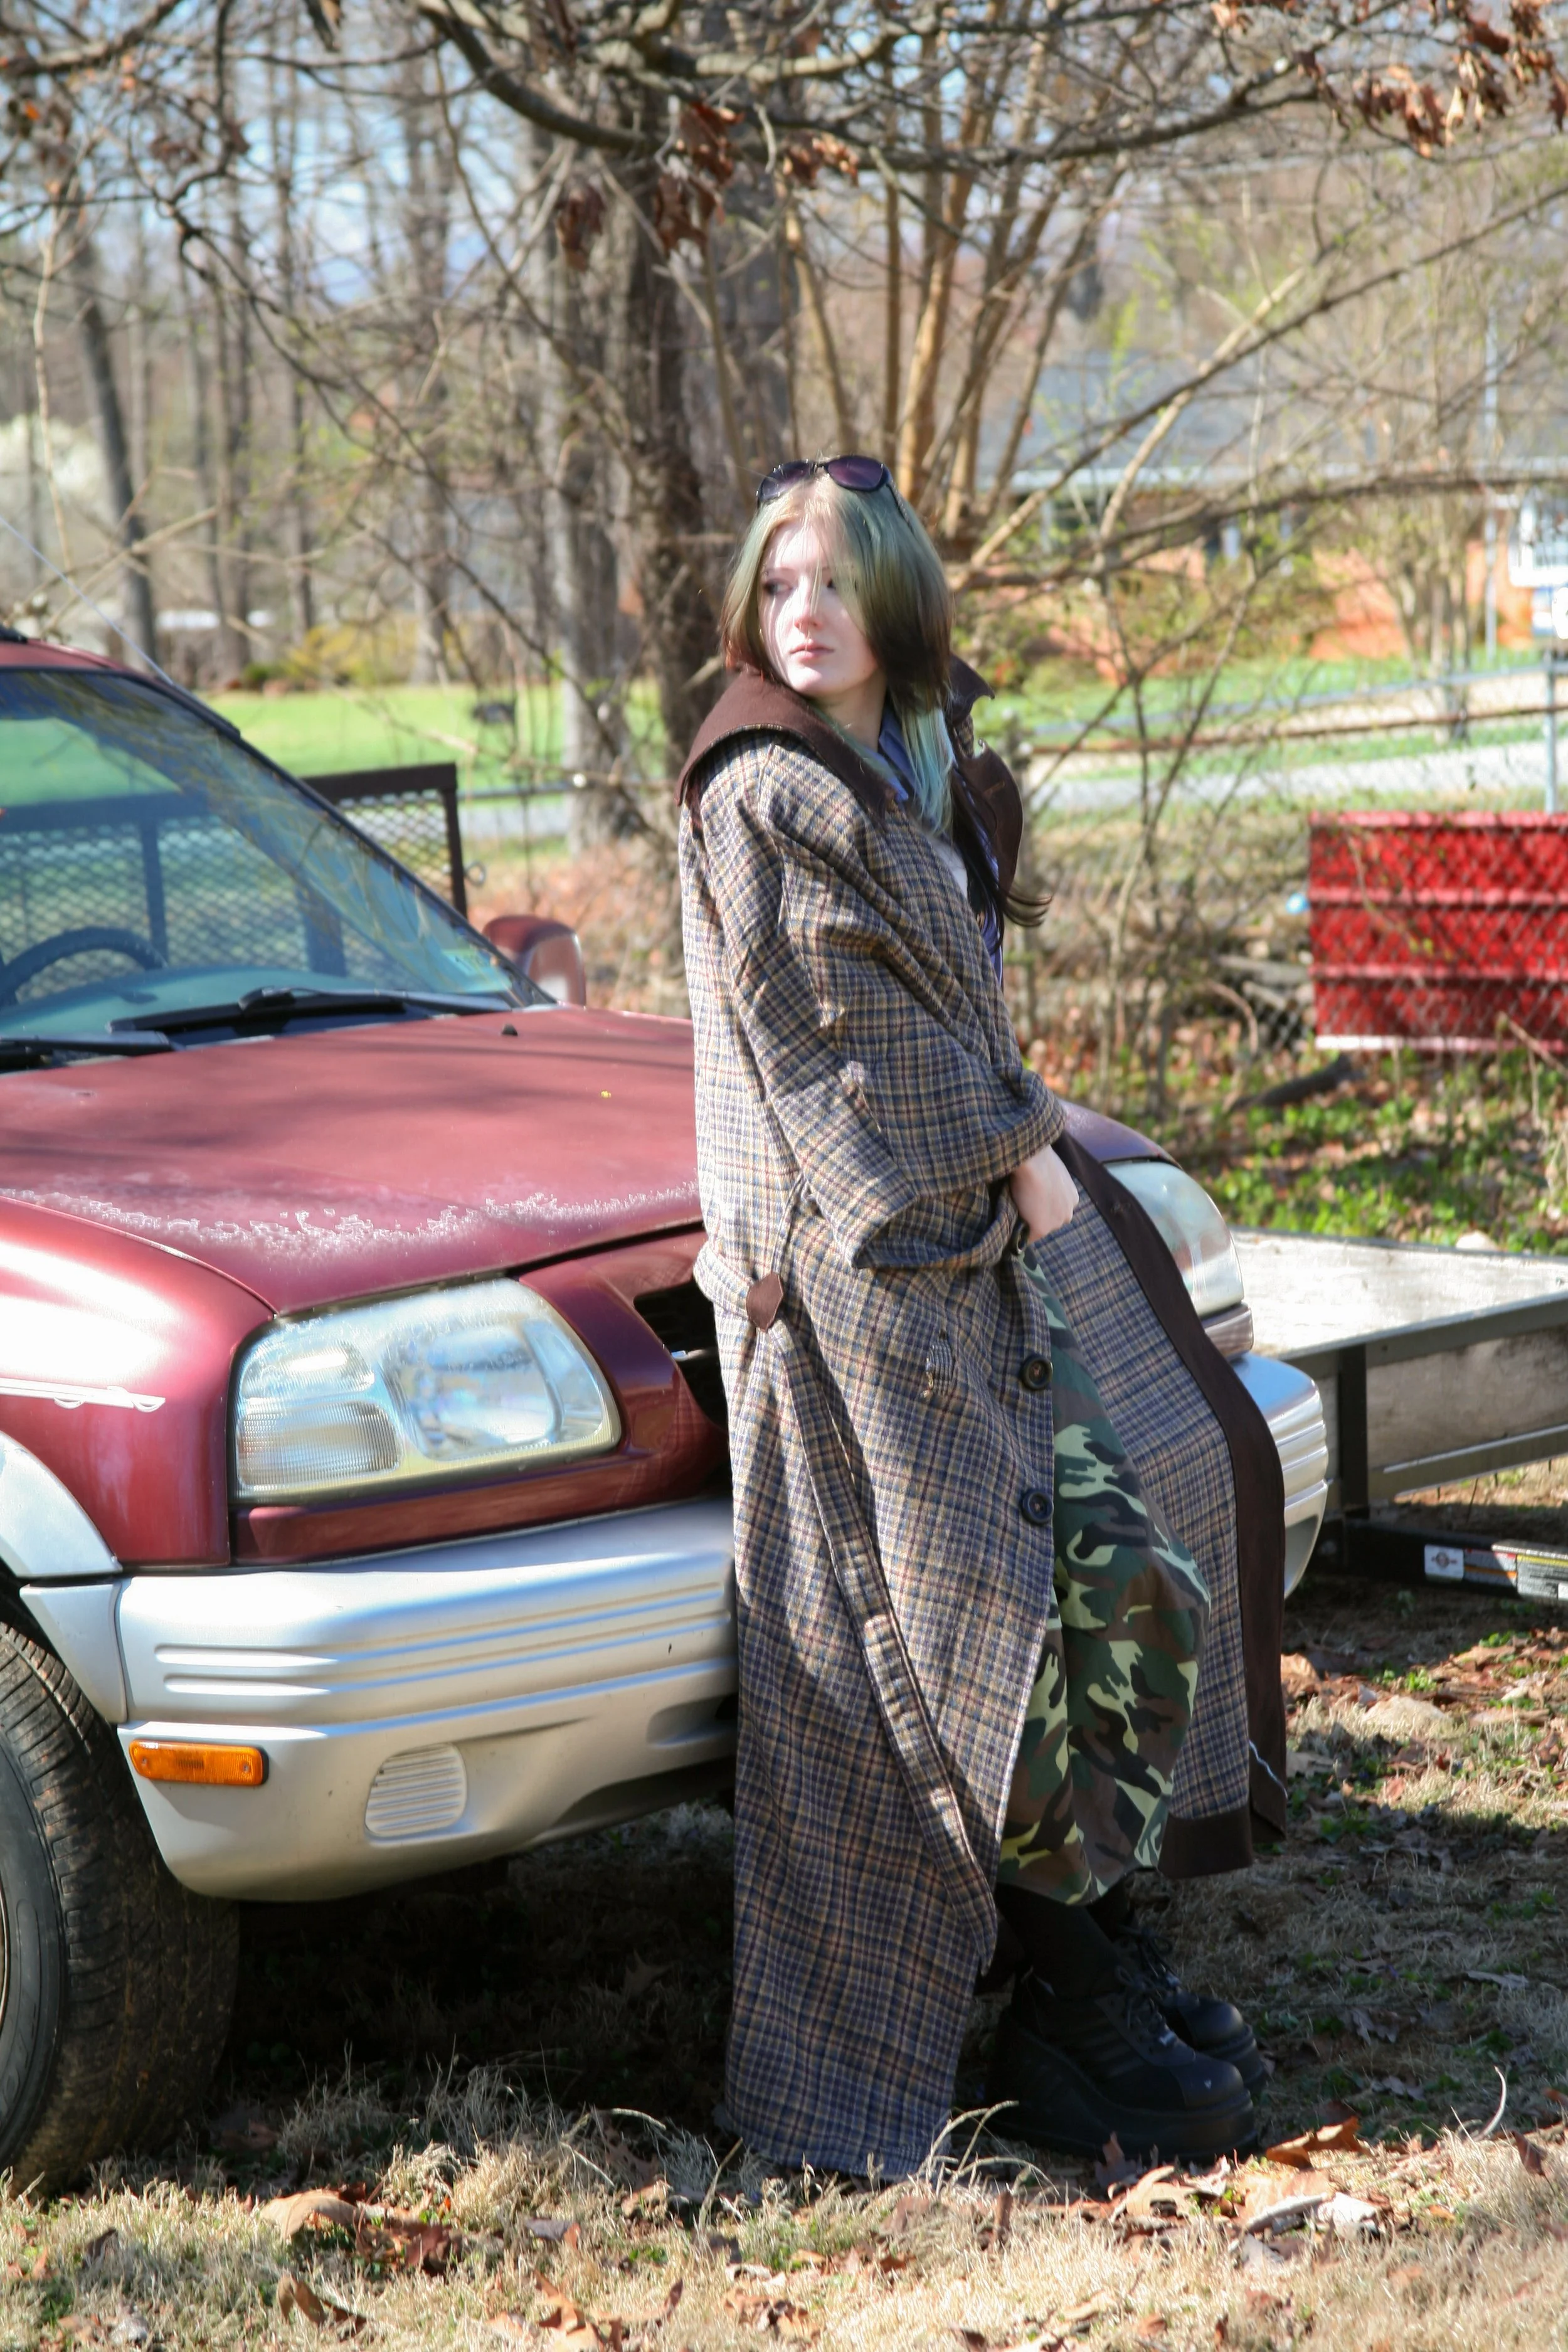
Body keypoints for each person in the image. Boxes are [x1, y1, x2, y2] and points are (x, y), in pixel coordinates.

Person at [676, 455, 1285, 2180]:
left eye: (829, 581)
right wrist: (1024, 1150)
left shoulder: (917, 766)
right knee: (966, 1650)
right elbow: (839, 1068)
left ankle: (1084, 1944)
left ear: (892, 598)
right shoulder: (762, 795)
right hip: (865, 1296)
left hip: (973, 1266)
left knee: (1141, 1573)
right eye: (775, 582)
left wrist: (1014, 1158)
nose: (800, 614)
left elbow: (944, 1007)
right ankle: (1059, 1989)